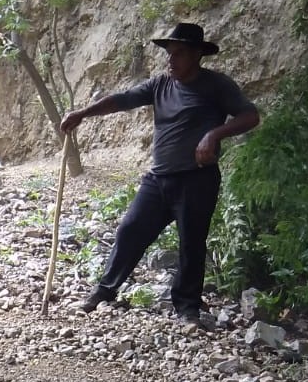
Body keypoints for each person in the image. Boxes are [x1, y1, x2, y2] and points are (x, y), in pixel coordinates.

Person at [59, 22, 260, 324]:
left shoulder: (217, 85)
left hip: (197, 178)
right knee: (130, 230)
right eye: (169, 53)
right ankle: (104, 291)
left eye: (178, 53)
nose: (171, 59)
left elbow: (250, 115)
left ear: (196, 55)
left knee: (191, 242)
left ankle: (187, 307)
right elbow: (122, 99)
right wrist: (82, 114)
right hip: (158, 178)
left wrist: (214, 135)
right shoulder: (160, 85)